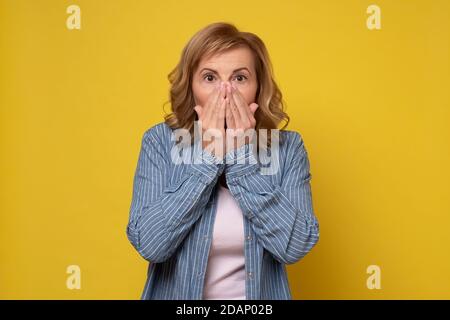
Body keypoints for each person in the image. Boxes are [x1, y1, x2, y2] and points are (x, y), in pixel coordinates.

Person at [126, 22, 320, 300]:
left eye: (240, 78)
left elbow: (295, 246)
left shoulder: (287, 149)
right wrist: (209, 157)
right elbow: (150, 244)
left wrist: (241, 160)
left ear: (258, 87)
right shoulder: (160, 142)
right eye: (210, 78)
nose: (225, 92)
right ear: (191, 87)